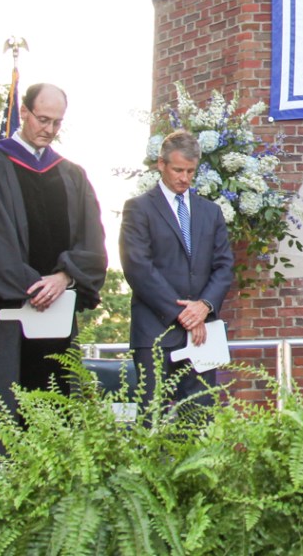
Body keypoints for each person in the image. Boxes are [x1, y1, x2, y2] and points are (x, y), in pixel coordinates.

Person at [0, 83, 106, 466]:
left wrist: (63, 277)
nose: (49, 129)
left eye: (57, 122)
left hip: (56, 320)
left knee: (56, 415)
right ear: (24, 112)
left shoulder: (71, 175)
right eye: (43, 119)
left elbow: (93, 245)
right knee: (0, 424)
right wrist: (31, 284)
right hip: (3, 323)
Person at [120, 130, 233, 413]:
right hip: (154, 333)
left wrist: (204, 306)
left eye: (191, 171)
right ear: (161, 164)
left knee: (199, 418)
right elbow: (138, 267)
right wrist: (183, 313)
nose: (184, 178)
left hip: (202, 334)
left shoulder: (211, 212)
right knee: (153, 420)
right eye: (178, 170)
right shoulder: (138, 209)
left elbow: (223, 266)